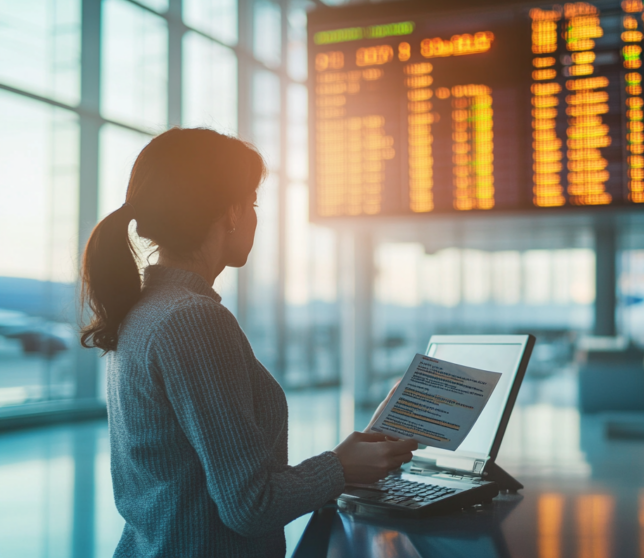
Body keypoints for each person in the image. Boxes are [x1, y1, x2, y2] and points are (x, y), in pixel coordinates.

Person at [79, 128, 417, 557]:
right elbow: (251, 505)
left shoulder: (145, 309)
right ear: (233, 213)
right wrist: (340, 466)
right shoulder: (193, 318)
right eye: (253, 203)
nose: (255, 216)